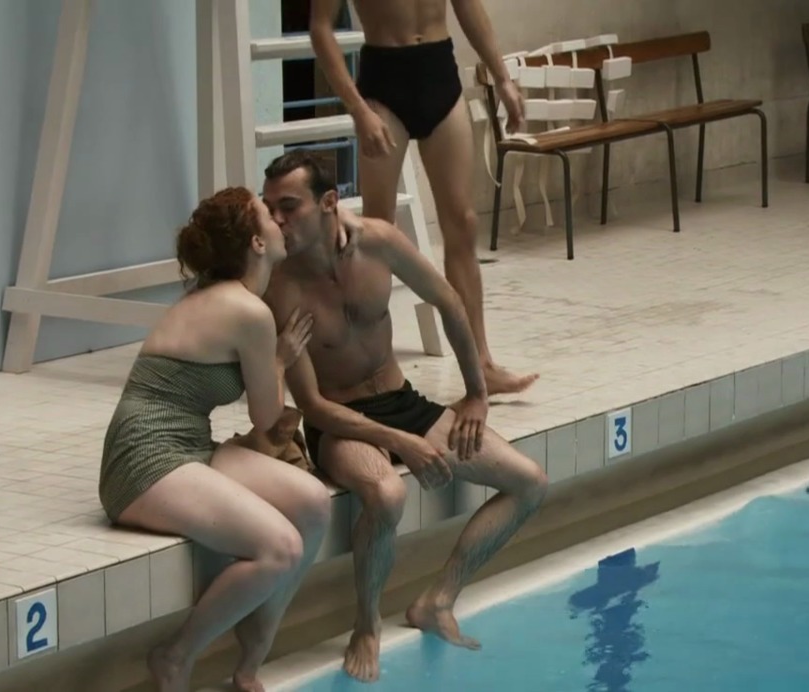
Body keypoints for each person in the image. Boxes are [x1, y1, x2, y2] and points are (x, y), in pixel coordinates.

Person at [261, 151, 549, 683]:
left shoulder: (380, 242)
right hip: (340, 420)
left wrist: (476, 394)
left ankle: (438, 600)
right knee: (387, 494)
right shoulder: (279, 286)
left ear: (328, 203)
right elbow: (313, 406)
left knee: (529, 482)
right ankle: (366, 625)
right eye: (270, 208)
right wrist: (402, 442)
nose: (276, 220)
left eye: (289, 207)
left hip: (403, 402)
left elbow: (449, 302)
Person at [97, 187, 334, 692]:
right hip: (144, 459)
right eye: (268, 215)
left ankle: (252, 654)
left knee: (313, 503)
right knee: (280, 548)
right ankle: (175, 656)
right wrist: (279, 360)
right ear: (257, 243)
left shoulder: (223, 294)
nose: (279, 220)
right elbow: (267, 419)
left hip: (189, 445)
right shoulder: (248, 312)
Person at [309, 0, 538, 396]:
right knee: (376, 233)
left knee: (462, 223)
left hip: (439, 72)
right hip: (384, 83)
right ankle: (371, 368)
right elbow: (320, 28)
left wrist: (502, 76)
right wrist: (358, 109)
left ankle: (481, 363)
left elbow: (468, 7)